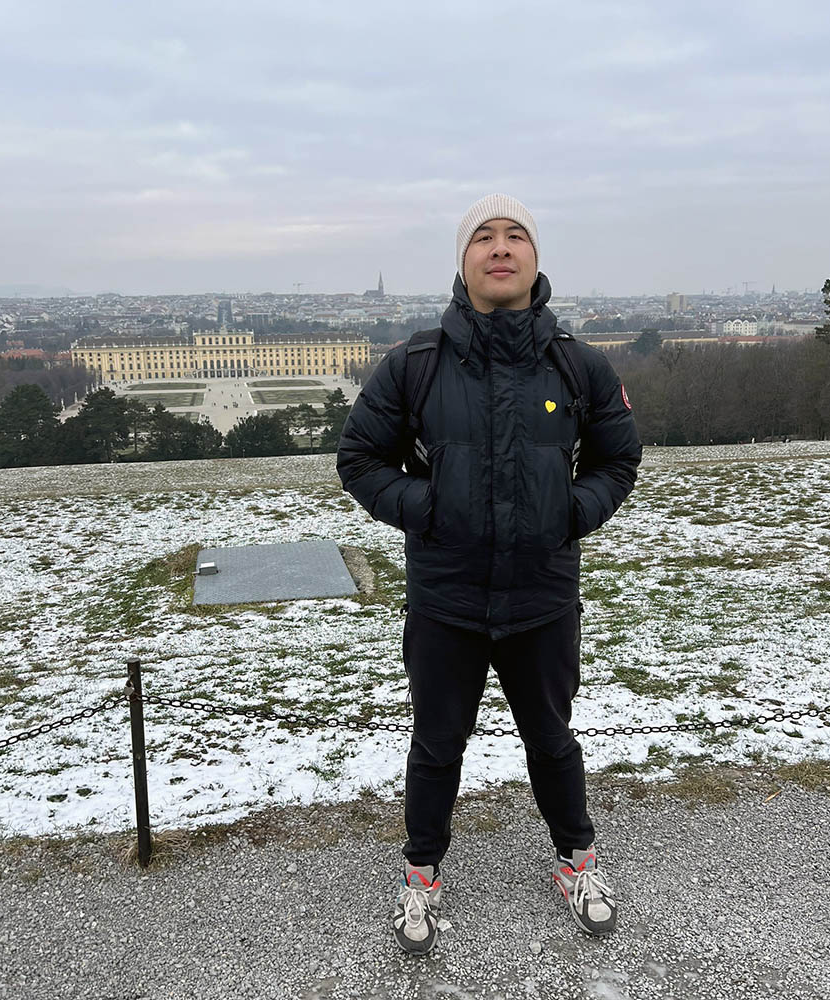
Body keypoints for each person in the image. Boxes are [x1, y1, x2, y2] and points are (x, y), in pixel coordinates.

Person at [336, 194, 642, 955]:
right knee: (437, 745)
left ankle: (577, 859)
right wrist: (427, 506)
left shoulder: (579, 364)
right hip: (447, 596)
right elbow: (358, 459)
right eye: (483, 236)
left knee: (553, 739)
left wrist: (571, 512)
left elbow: (619, 458)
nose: (499, 248)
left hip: (542, 592)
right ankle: (422, 873)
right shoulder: (416, 363)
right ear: (463, 260)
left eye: (515, 236)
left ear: (536, 259)